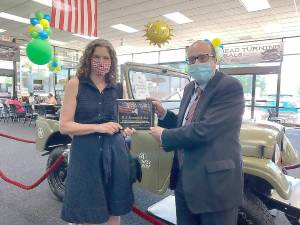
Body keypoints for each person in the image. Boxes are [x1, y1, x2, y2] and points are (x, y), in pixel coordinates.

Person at [149, 40, 245, 225]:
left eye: (202, 58)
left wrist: (164, 136)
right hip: (185, 179)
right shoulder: (189, 88)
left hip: (215, 184)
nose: (196, 63)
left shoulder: (229, 87)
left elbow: (206, 130)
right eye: (191, 59)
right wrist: (164, 114)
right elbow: (186, 123)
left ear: (214, 59)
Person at [59, 39, 135, 225]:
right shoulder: (75, 84)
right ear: (88, 58)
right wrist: (97, 127)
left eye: (106, 58)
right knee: (87, 209)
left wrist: (127, 128)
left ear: (112, 61)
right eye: (96, 57)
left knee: (114, 207)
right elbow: (64, 125)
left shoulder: (118, 87)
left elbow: (123, 121)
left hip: (115, 152)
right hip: (86, 154)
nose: (101, 62)